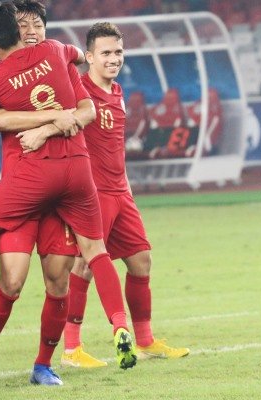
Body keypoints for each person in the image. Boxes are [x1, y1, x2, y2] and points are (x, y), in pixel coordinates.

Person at [0, 1, 137, 382]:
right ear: (14, 30)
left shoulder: (56, 55)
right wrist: (32, 118)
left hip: (43, 185)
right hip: (35, 184)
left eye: (37, 25)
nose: (31, 31)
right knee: (12, 282)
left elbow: (85, 111)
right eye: (24, 25)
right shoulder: (46, 57)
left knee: (57, 283)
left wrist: (33, 124)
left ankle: (42, 365)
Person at [60, 22, 190, 363]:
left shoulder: (117, 91)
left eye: (118, 52)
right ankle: (72, 348)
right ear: (89, 57)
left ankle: (145, 341)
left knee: (141, 260)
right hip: (93, 193)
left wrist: (128, 192)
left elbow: (115, 149)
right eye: (105, 53)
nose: (113, 58)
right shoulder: (78, 91)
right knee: (83, 266)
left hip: (121, 191)